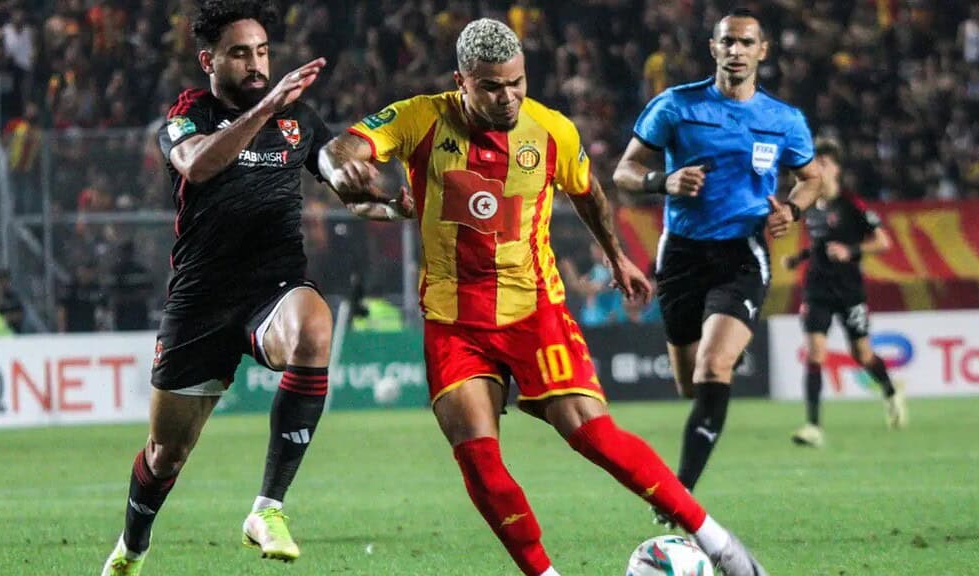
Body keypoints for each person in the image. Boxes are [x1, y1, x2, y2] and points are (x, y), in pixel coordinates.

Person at [321, 18, 768, 576]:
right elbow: (340, 148)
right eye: (490, 86)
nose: (507, 97)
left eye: (517, 82)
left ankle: (720, 543)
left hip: (534, 311)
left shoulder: (551, 130)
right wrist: (342, 170)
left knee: (594, 434)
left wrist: (616, 254)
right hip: (454, 322)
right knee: (480, 460)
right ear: (461, 80)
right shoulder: (422, 118)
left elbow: (589, 192)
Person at [101, 1, 344, 573]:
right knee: (166, 455)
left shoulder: (300, 120)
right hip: (201, 299)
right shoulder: (187, 115)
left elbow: (336, 169)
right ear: (209, 60)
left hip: (273, 286)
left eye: (261, 52)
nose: (256, 63)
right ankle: (133, 545)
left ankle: (267, 507)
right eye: (240, 53)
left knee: (314, 327)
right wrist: (265, 107)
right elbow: (198, 165)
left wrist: (376, 194)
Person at [612, 8, 823, 506]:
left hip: (743, 252)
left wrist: (790, 210)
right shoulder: (676, 106)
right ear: (714, 48)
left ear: (762, 51)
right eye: (727, 42)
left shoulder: (783, 120)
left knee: (711, 368)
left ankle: (680, 495)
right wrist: (661, 181)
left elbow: (813, 178)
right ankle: (726, 342)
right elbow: (623, 172)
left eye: (746, 43)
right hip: (682, 253)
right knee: (690, 384)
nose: (736, 51)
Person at [783, 137, 907, 447]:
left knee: (861, 355)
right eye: (816, 163)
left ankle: (891, 392)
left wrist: (851, 250)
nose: (819, 169)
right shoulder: (808, 204)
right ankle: (813, 426)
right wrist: (797, 260)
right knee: (815, 353)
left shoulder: (853, 205)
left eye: (824, 163)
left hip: (849, 290)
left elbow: (883, 242)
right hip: (816, 289)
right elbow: (819, 246)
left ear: (836, 169)